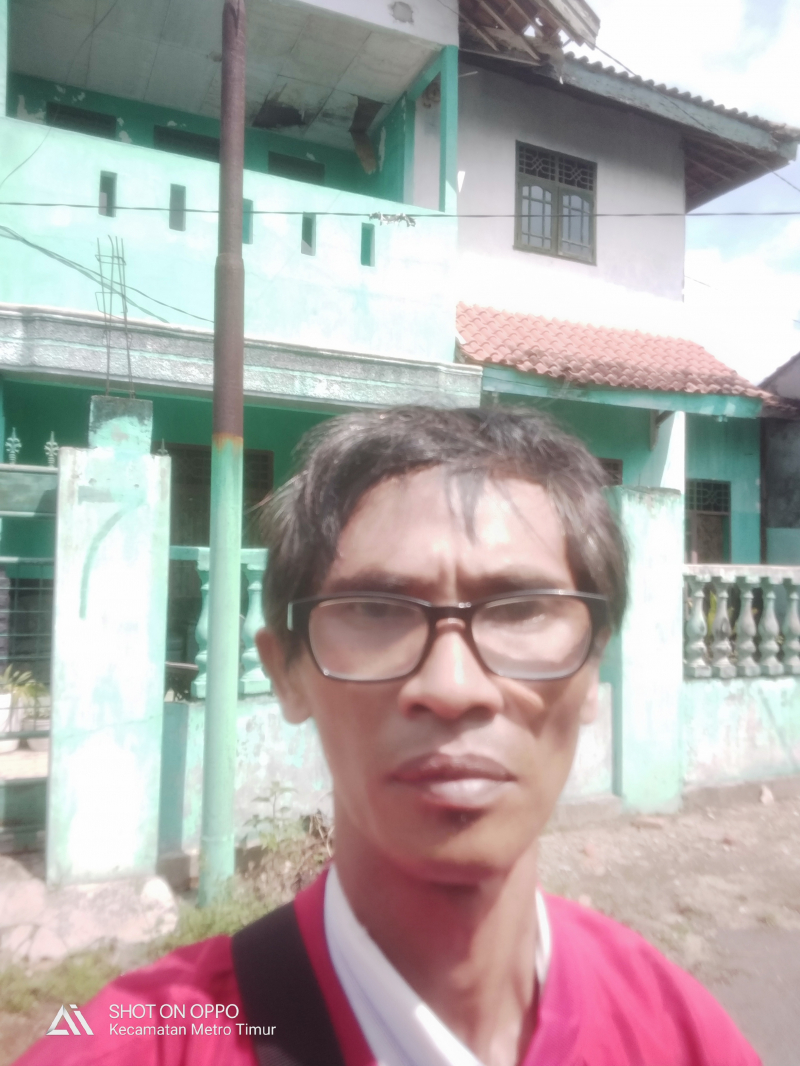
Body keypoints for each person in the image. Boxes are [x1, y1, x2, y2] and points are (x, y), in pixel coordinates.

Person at [15, 406, 759, 1066]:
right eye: (376, 609)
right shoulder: (136, 1046)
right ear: (287, 673)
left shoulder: (679, 1035)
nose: (453, 686)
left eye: (520, 609)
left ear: (593, 669)